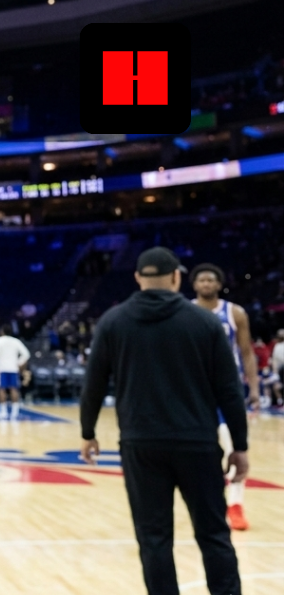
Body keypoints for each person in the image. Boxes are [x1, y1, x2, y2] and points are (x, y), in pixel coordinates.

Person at [80, 247, 246, 595]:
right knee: (214, 534)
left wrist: (88, 432)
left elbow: (93, 384)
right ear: (176, 277)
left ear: (138, 278)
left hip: (141, 445)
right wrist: (240, 446)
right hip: (197, 442)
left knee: (154, 539)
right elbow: (229, 391)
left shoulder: (113, 321)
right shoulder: (205, 322)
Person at [190, 262, 259, 532]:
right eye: (202, 280)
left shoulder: (235, 313)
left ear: (219, 284)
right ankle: (209, 504)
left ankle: (236, 505)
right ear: (194, 285)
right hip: (194, 390)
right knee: (200, 452)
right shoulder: (185, 311)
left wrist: (254, 389)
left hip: (226, 390)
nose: (207, 284)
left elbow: (247, 352)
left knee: (235, 449)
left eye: (211, 280)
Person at [0, 325, 30, 421]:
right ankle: (15, 413)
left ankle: (3, 412)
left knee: (1, 389)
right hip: (13, 368)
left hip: (1, 369)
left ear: (2, 331)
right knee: (14, 389)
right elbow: (26, 354)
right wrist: (18, 363)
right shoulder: (16, 341)